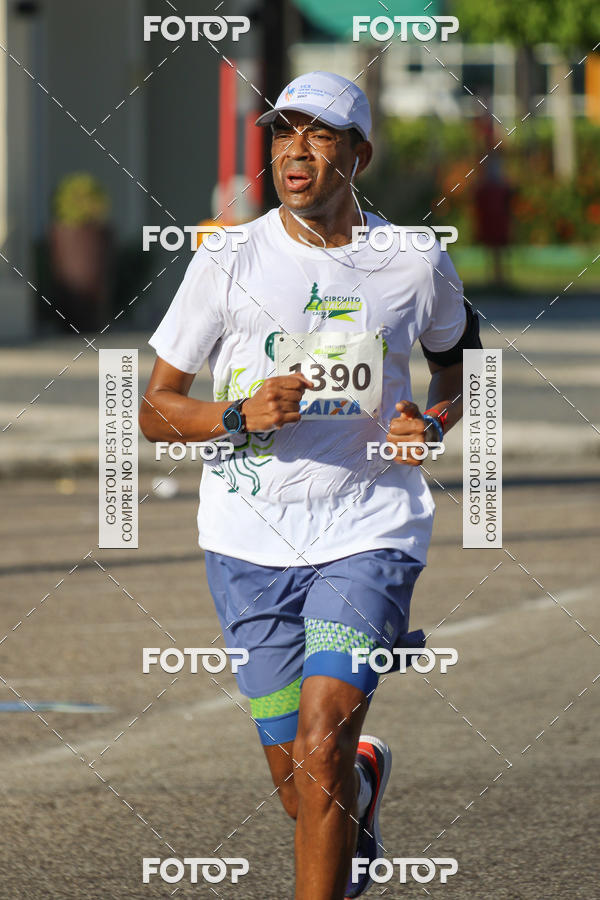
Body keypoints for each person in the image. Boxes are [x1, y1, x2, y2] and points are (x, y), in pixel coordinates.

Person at [140, 71, 481, 899]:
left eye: (320, 134)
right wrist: (237, 415)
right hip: (247, 538)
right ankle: (360, 789)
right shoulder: (229, 258)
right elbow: (153, 409)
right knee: (305, 788)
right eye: (283, 132)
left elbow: (461, 367)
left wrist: (432, 424)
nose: (295, 150)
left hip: (369, 528)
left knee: (322, 741)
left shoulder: (413, 260)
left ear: (358, 154)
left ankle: (344, 778)